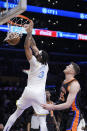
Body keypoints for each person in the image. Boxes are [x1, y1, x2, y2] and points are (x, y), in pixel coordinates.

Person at [3, 21, 49, 131]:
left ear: (39, 56)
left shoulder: (34, 62)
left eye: (38, 53)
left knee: (16, 114)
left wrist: (29, 33)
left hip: (29, 92)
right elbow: (33, 45)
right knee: (42, 120)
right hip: (39, 94)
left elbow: (27, 47)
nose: (37, 52)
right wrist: (29, 32)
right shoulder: (46, 65)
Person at [42, 62, 81, 131]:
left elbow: (68, 104)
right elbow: (61, 100)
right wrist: (53, 104)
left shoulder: (74, 84)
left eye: (69, 66)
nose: (66, 66)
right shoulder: (64, 82)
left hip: (72, 114)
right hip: (64, 114)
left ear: (72, 71)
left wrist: (52, 107)